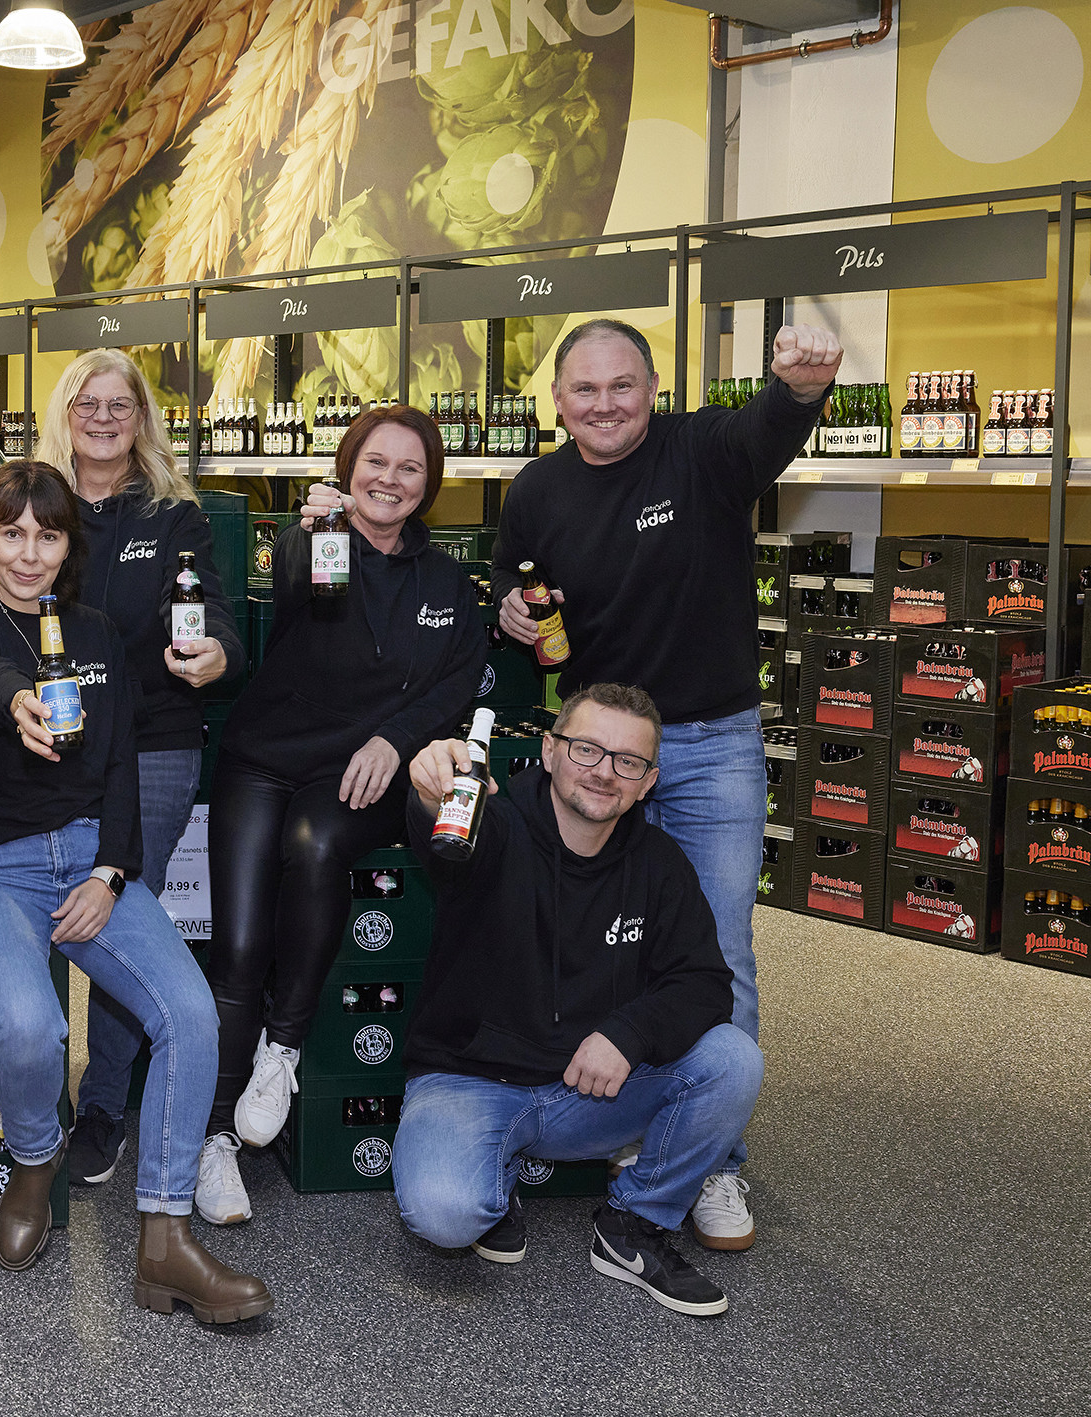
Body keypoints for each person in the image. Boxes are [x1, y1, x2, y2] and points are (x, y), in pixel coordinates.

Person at [490, 319, 841, 1248]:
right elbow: (511, 592)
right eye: (584, 390)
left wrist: (802, 388)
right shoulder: (537, 489)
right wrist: (511, 616)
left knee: (719, 949)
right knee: (607, 938)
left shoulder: (703, 450)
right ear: (557, 400)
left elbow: (770, 427)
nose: (604, 405)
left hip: (713, 746)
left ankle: (716, 1165)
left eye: (622, 386)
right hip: (600, 752)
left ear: (653, 387)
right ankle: (628, 1120)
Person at [0, 461, 271, 1325]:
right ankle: (37, 1161)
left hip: (89, 859)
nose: (29, 552)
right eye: (12, 532)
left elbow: (119, 765)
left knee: (191, 1016)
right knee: (34, 1025)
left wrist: (112, 872)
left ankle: (165, 1237)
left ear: (67, 546)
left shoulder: (97, 635)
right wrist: (21, 704)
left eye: (47, 534)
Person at [394, 683, 763, 1318]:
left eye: (629, 761)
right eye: (587, 749)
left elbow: (703, 981)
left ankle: (635, 1224)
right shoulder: (494, 822)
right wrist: (428, 797)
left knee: (733, 1060)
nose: (604, 772)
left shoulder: (660, 863)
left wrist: (629, 1033)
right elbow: (450, 850)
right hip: (471, 1080)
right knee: (446, 1214)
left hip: (590, 1094)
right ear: (549, 749)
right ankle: (493, 1177)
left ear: (648, 782)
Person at [201, 404, 487, 1224]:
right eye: (375, 462)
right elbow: (299, 587)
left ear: (428, 483)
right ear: (347, 465)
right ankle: (214, 1142)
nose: (389, 480)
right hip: (264, 757)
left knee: (319, 840)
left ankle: (282, 1046)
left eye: (409, 468)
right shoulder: (317, 541)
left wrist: (396, 741)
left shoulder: (441, 582)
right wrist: (315, 531)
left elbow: (459, 679)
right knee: (242, 944)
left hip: (360, 774)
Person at [31, 349, 244, 1190]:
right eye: (89, 401)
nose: (105, 417)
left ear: (142, 417)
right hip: (46, 738)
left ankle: (104, 1104)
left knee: (124, 917)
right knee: (43, 905)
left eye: (121, 404)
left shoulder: (171, 515)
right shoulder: (36, 500)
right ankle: (27, 1089)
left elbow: (211, 609)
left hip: (153, 740)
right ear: (66, 411)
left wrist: (215, 652)